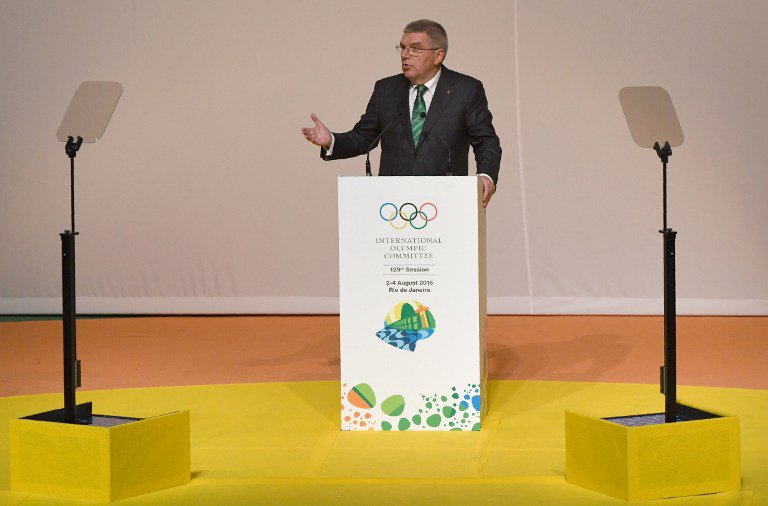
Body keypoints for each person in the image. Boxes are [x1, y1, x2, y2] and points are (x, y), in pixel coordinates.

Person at [301, 19, 502, 207]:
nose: (405, 55)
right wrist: (331, 140)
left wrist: (486, 175)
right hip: (393, 203)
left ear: (438, 55)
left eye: (415, 49)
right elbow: (365, 137)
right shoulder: (386, 89)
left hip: (446, 200)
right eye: (403, 47)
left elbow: (486, 140)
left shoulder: (465, 90)